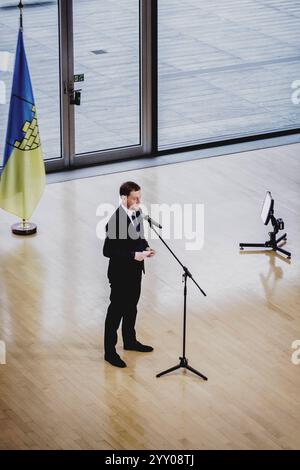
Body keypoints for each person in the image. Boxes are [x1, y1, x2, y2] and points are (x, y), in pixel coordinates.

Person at [103, 181, 156, 368]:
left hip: (135, 272)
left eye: (140, 197)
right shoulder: (115, 221)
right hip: (119, 275)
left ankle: (130, 341)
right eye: (135, 198)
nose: (138, 201)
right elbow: (108, 251)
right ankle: (110, 351)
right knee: (116, 311)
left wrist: (146, 247)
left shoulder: (137, 212)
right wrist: (134, 255)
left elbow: (139, 237)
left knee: (132, 307)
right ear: (124, 198)